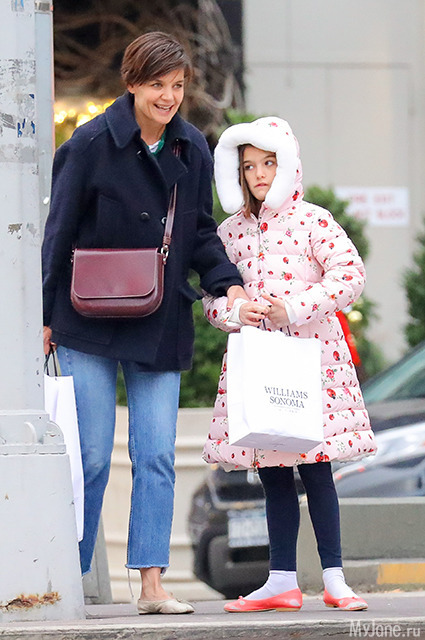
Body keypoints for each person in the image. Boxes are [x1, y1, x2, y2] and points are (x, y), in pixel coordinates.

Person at [42, 31, 246, 615]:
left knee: (156, 455)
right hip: (85, 316)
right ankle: (71, 578)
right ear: (132, 82)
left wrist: (227, 281)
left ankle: (152, 584)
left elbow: (201, 231)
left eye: (177, 85)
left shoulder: (191, 147)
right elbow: (58, 232)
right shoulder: (89, 143)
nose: (168, 97)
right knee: (91, 456)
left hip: (159, 316)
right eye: (157, 84)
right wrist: (45, 317)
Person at [202, 117, 377, 613]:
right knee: (273, 472)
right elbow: (211, 298)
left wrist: (294, 308)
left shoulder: (313, 221)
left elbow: (350, 275)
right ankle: (280, 580)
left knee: (316, 469)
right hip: (259, 366)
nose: (259, 174)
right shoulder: (229, 232)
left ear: (288, 165)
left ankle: (335, 578)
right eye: (248, 166)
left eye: (268, 163)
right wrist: (236, 312)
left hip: (313, 364)